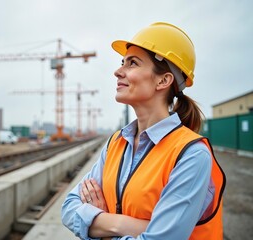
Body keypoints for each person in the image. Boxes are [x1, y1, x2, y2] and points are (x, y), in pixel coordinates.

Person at [61, 22, 226, 240]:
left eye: (132, 63)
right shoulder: (116, 143)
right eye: (123, 62)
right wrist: (131, 226)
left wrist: (101, 224)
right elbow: (69, 208)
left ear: (163, 80)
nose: (118, 71)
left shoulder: (191, 155)